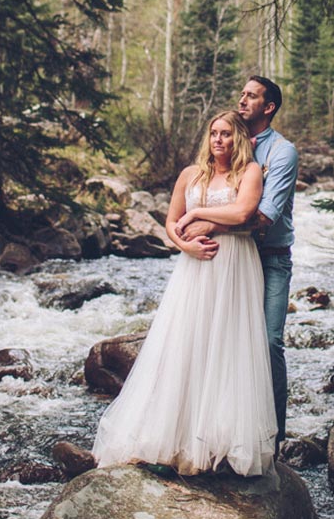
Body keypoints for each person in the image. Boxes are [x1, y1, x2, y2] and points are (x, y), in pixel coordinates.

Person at [92, 110, 277, 478]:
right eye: (213, 134)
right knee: (185, 342)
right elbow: (171, 223)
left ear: (238, 138)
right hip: (195, 267)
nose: (218, 140)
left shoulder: (250, 172)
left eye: (226, 134)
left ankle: (222, 442)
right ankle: (174, 439)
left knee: (228, 346)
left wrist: (200, 217)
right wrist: (185, 245)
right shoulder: (190, 175)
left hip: (234, 263)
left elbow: (242, 212)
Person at [181, 77, 297, 449]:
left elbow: (263, 216)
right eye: (242, 95)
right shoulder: (227, 141)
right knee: (221, 341)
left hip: (269, 256)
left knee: (267, 343)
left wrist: (205, 221)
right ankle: (218, 431)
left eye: (251, 96)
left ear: (269, 107)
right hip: (225, 258)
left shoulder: (281, 153)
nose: (242, 100)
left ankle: (270, 438)